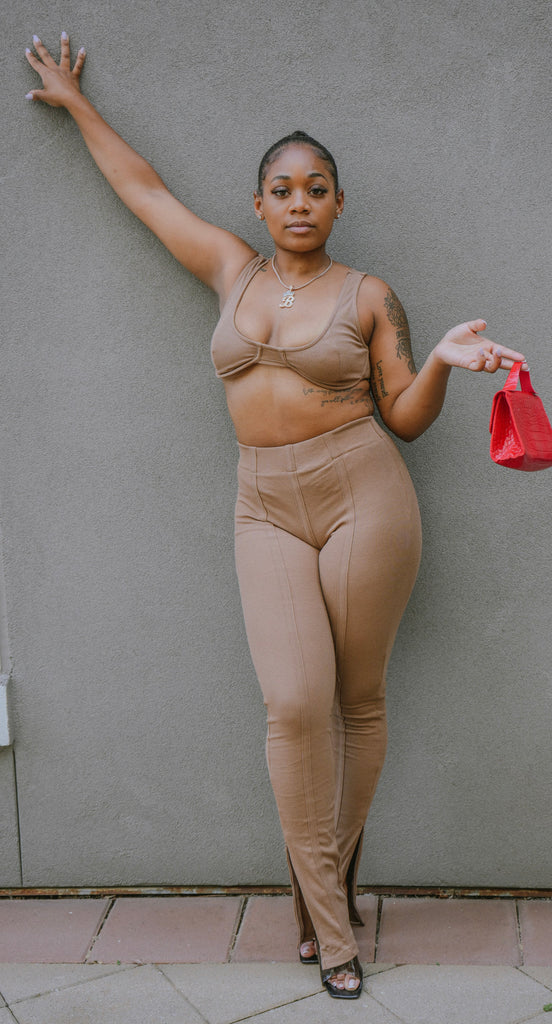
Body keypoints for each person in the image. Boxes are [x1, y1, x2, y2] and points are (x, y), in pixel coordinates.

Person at [25, 33, 527, 1000]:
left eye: (317, 189)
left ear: (339, 204)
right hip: (262, 501)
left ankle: (325, 921)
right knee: (294, 706)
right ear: (258, 204)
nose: (300, 203)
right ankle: (329, 905)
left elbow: (406, 421)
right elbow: (145, 193)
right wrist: (78, 104)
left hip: (363, 490)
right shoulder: (230, 269)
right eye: (283, 189)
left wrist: (440, 363)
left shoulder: (369, 295)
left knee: (357, 701)